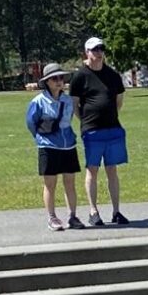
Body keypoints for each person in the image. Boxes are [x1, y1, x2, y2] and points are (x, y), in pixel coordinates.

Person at [68, 37, 129, 227]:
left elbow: (119, 101)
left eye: (101, 49)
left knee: (112, 170)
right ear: (87, 52)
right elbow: (74, 105)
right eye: (95, 50)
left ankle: (116, 211)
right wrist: (86, 120)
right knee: (92, 170)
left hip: (113, 129)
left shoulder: (113, 75)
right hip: (92, 130)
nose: (99, 53)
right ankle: (93, 211)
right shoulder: (80, 76)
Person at [25, 64, 83, 232]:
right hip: (48, 146)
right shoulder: (38, 101)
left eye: (61, 78)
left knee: (70, 182)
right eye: (54, 78)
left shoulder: (67, 100)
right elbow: (31, 122)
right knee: (50, 183)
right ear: (47, 82)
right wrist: (40, 138)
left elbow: (69, 119)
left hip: (68, 145)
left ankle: (72, 216)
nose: (59, 81)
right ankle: (52, 217)